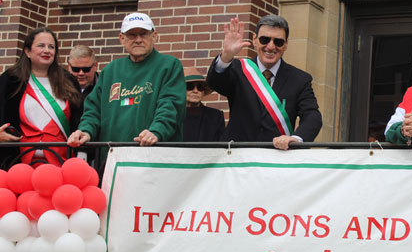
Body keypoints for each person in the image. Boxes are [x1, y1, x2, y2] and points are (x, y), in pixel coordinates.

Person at [67, 12, 186, 161]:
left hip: (154, 158)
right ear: (122, 39)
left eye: (143, 34)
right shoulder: (111, 70)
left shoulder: (169, 66)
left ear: (154, 36)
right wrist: (86, 130)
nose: (138, 40)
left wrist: (157, 131)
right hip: (112, 160)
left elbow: (171, 105)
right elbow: (93, 109)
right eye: (131, 35)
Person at [206, 15, 322, 150]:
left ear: (286, 44)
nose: (271, 46)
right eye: (264, 40)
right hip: (238, 158)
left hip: (277, 159)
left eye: (278, 42)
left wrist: (296, 138)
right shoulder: (238, 69)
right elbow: (214, 83)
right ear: (255, 40)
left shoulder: (300, 79)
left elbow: (312, 116)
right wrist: (226, 56)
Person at [0, 27, 82, 168]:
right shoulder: (10, 80)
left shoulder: (69, 80)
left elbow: (79, 118)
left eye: (51, 47)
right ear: (27, 51)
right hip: (18, 163)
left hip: (61, 162)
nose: (47, 51)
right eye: (41, 45)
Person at [183, 67, 225, 142]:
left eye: (200, 87)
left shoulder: (216, 116)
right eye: (190, 86)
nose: (195, 91)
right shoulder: (173, 115)